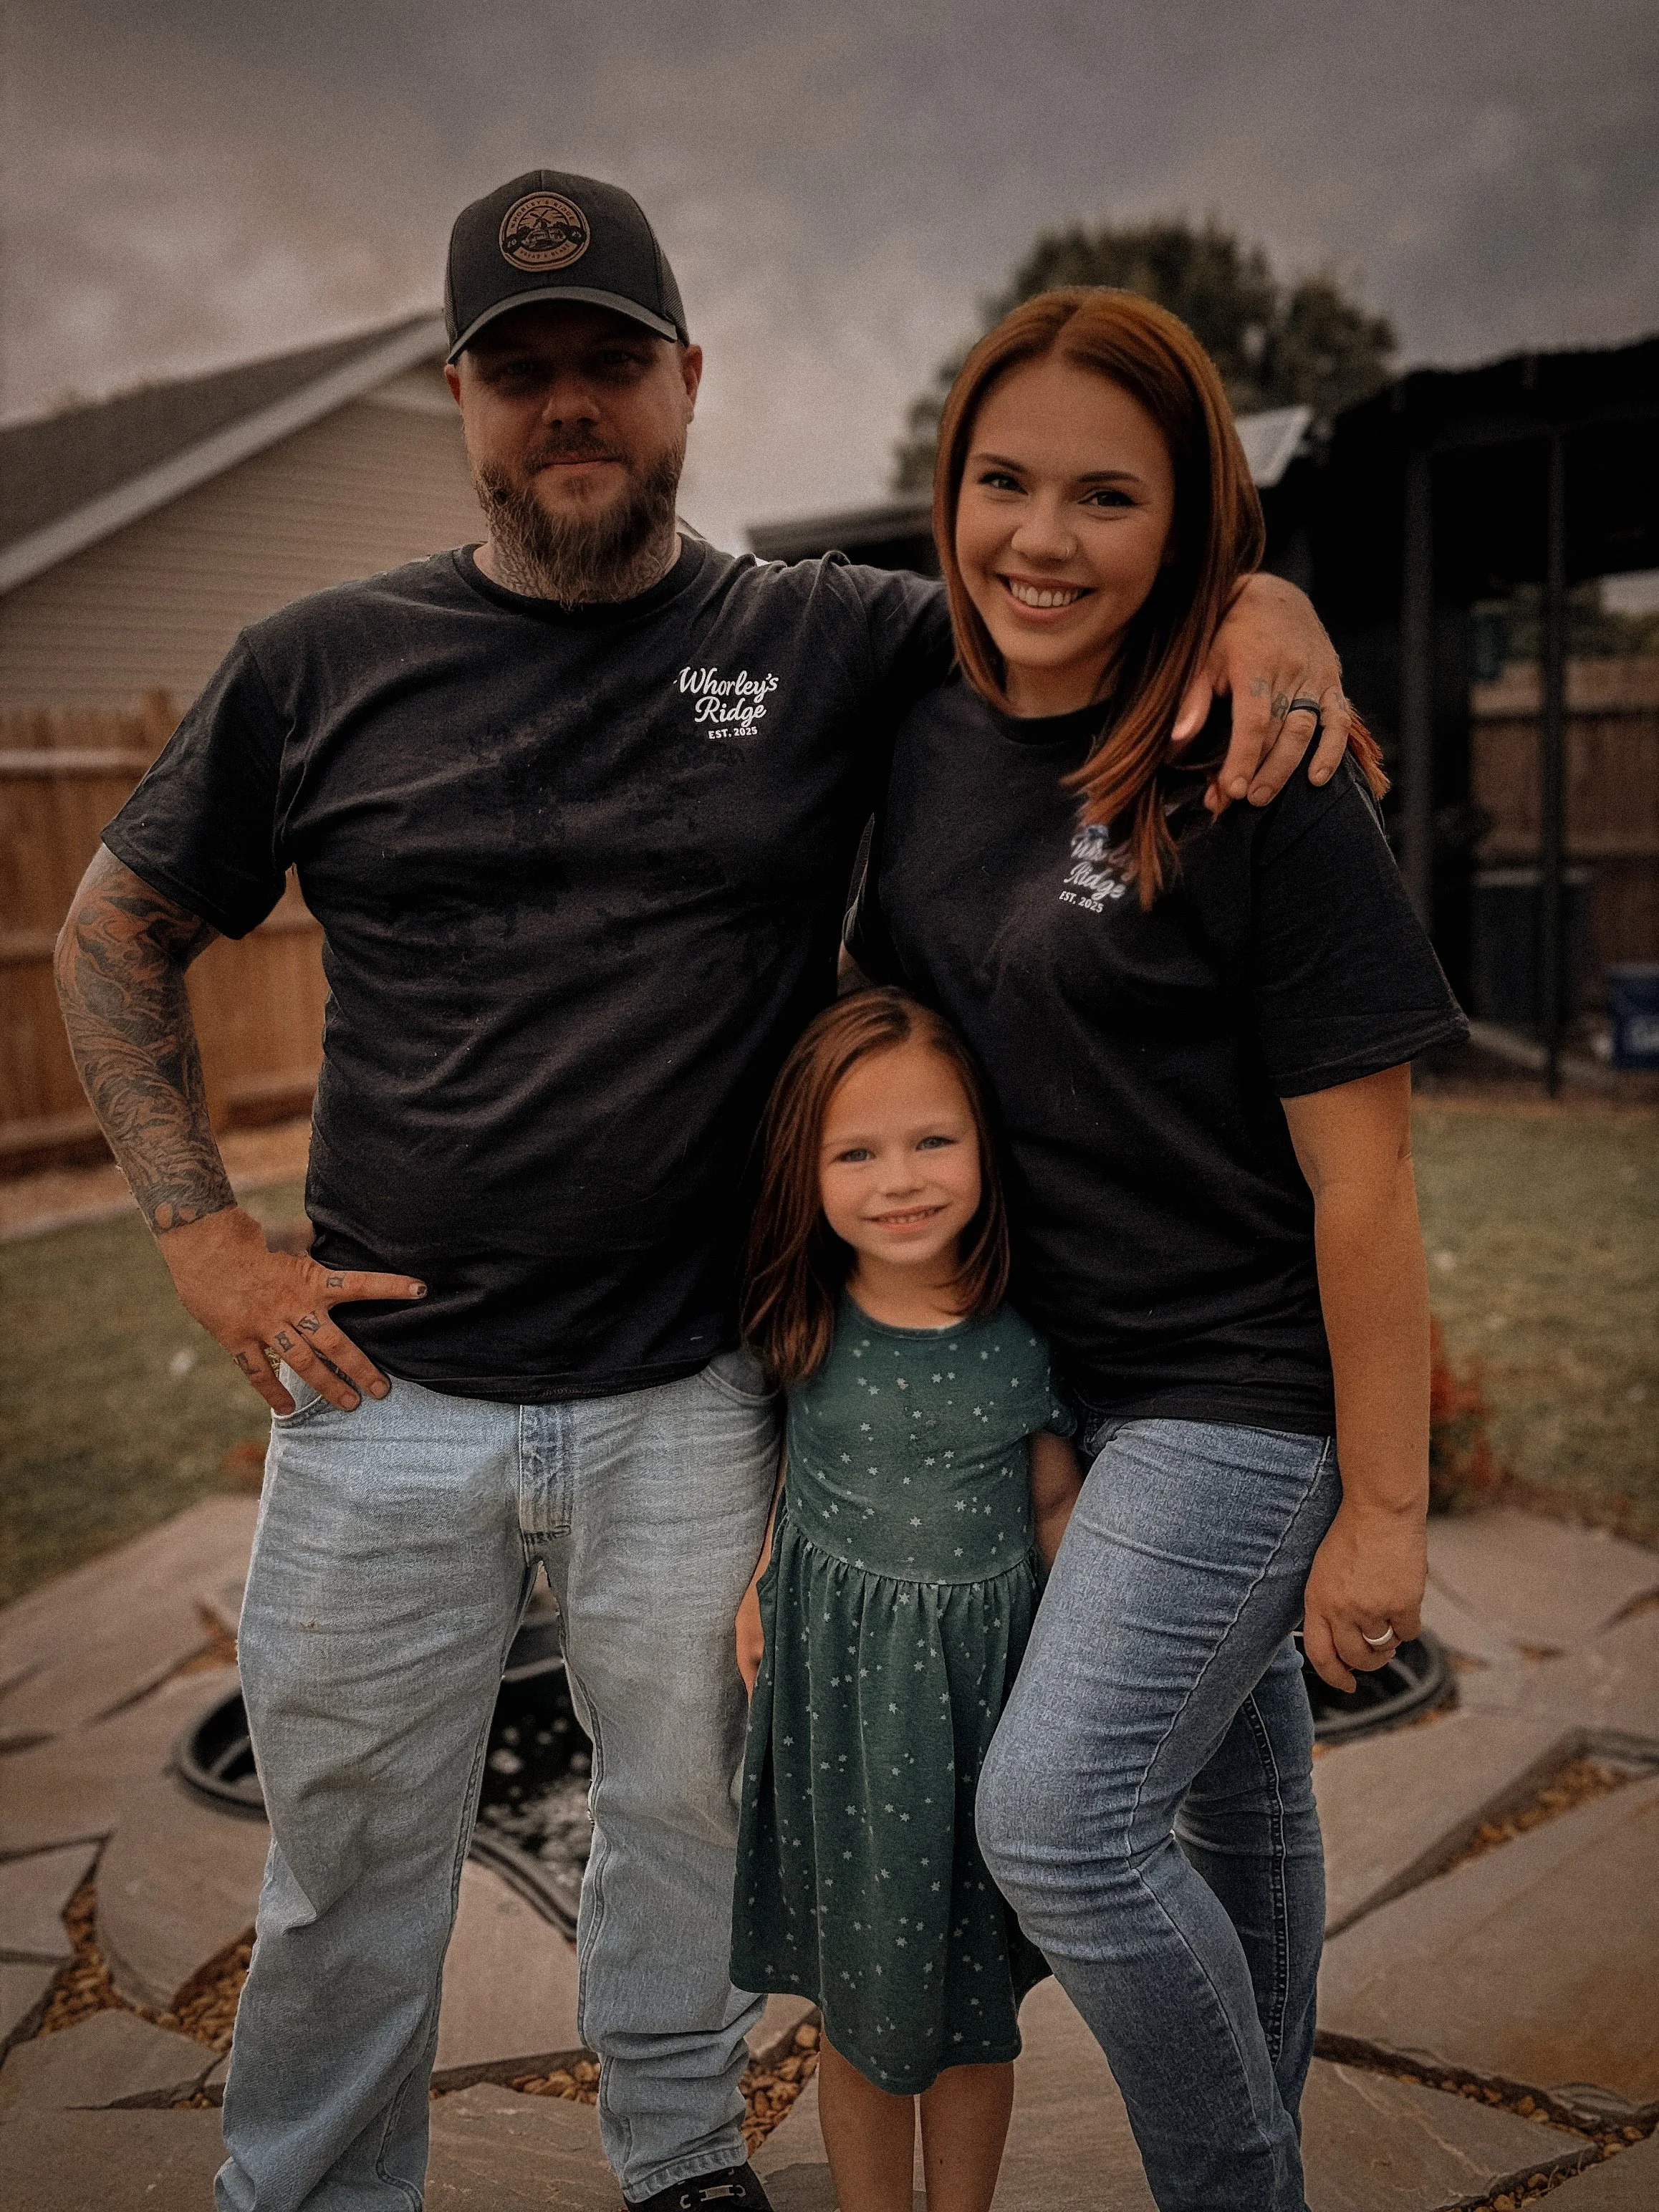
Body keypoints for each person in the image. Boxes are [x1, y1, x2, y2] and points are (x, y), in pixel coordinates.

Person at [53, 160, 1351, 2212]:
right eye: (520, 370)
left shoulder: (821, 640)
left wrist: (1268, 596)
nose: (568, 404)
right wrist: (203, 1233)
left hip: (689, 1391)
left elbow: (1079, 585)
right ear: (463, 402)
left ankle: (676, 2167)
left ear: (686, 383)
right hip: (386, 1407)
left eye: (611, 364)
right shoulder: (312, 661)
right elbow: (110, 929)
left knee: (682, 1823)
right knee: (351, 1865)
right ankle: (302, 2191)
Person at [845, 287, 1470, 2212]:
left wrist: (1383, 1510)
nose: (1040, 537)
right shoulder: (920, 735)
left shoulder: (1254, 765)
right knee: (1231, 1790)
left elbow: (1362, 1188)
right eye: (1003, 481)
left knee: (1058, 1821)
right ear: (944, 490)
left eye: (1107, 497)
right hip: (1060, 1381)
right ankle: (1261, 2149)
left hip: (1234, 1390)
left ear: (1191, 522)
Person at [728, 989, 1081, 2212]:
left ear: (984, 1139)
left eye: (933, 1141)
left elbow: (1054, 1515)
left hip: (987, 1704)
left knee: (974, 2012)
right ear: (808, 1169)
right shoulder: (801, 1320)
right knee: (860, 2008)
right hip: (843, 1712)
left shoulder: (1029, 1333)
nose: (901, 1180)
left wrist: (1075, 1675)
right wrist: (763, 1579)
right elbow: (792, 1479)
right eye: (857, 1153)